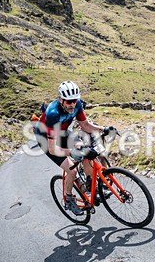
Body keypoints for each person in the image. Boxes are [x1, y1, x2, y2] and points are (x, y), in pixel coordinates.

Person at [34, 81, 113, 215]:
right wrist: (71, 152)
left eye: (74, 101)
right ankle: (69, 199)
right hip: (46, 140)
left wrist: (103, 129)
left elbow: (85, 125)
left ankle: (91, 186)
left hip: (63, 132)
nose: (72, 104)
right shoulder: (53, 113)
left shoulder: (78, 105)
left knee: (87, 151)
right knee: (72, 170)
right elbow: (53, 150)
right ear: (61, 100)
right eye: (68, 101)